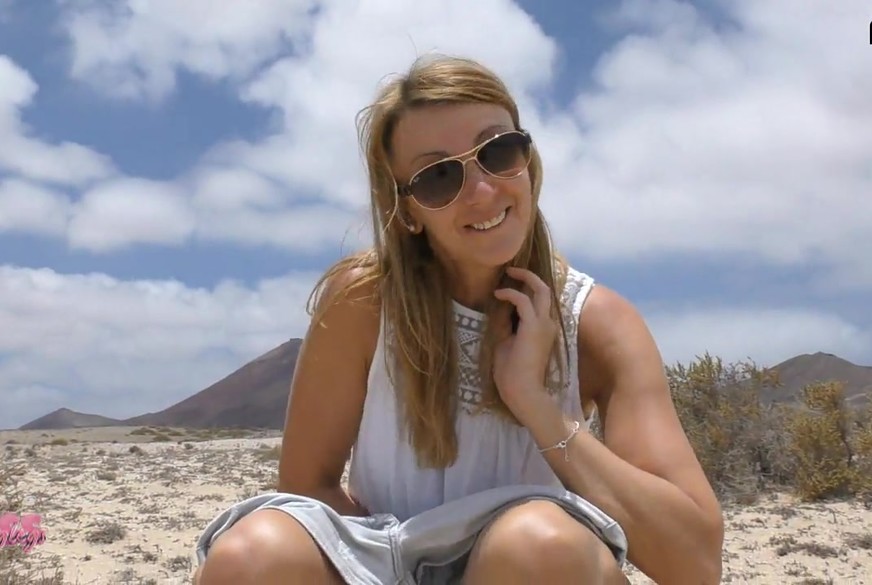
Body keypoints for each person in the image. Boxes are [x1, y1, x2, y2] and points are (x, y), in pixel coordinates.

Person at [192, 55, 724, 585]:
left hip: (535, 570)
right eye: (439, 177)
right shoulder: (365, 301)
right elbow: (309, 489)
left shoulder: (594, 323)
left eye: (499, 152)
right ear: (406, 209)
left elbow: (694, 565)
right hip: (389, 565)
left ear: (529, 162)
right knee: (254, 555)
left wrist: (536, 405)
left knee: (541, 544)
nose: (482, 192)